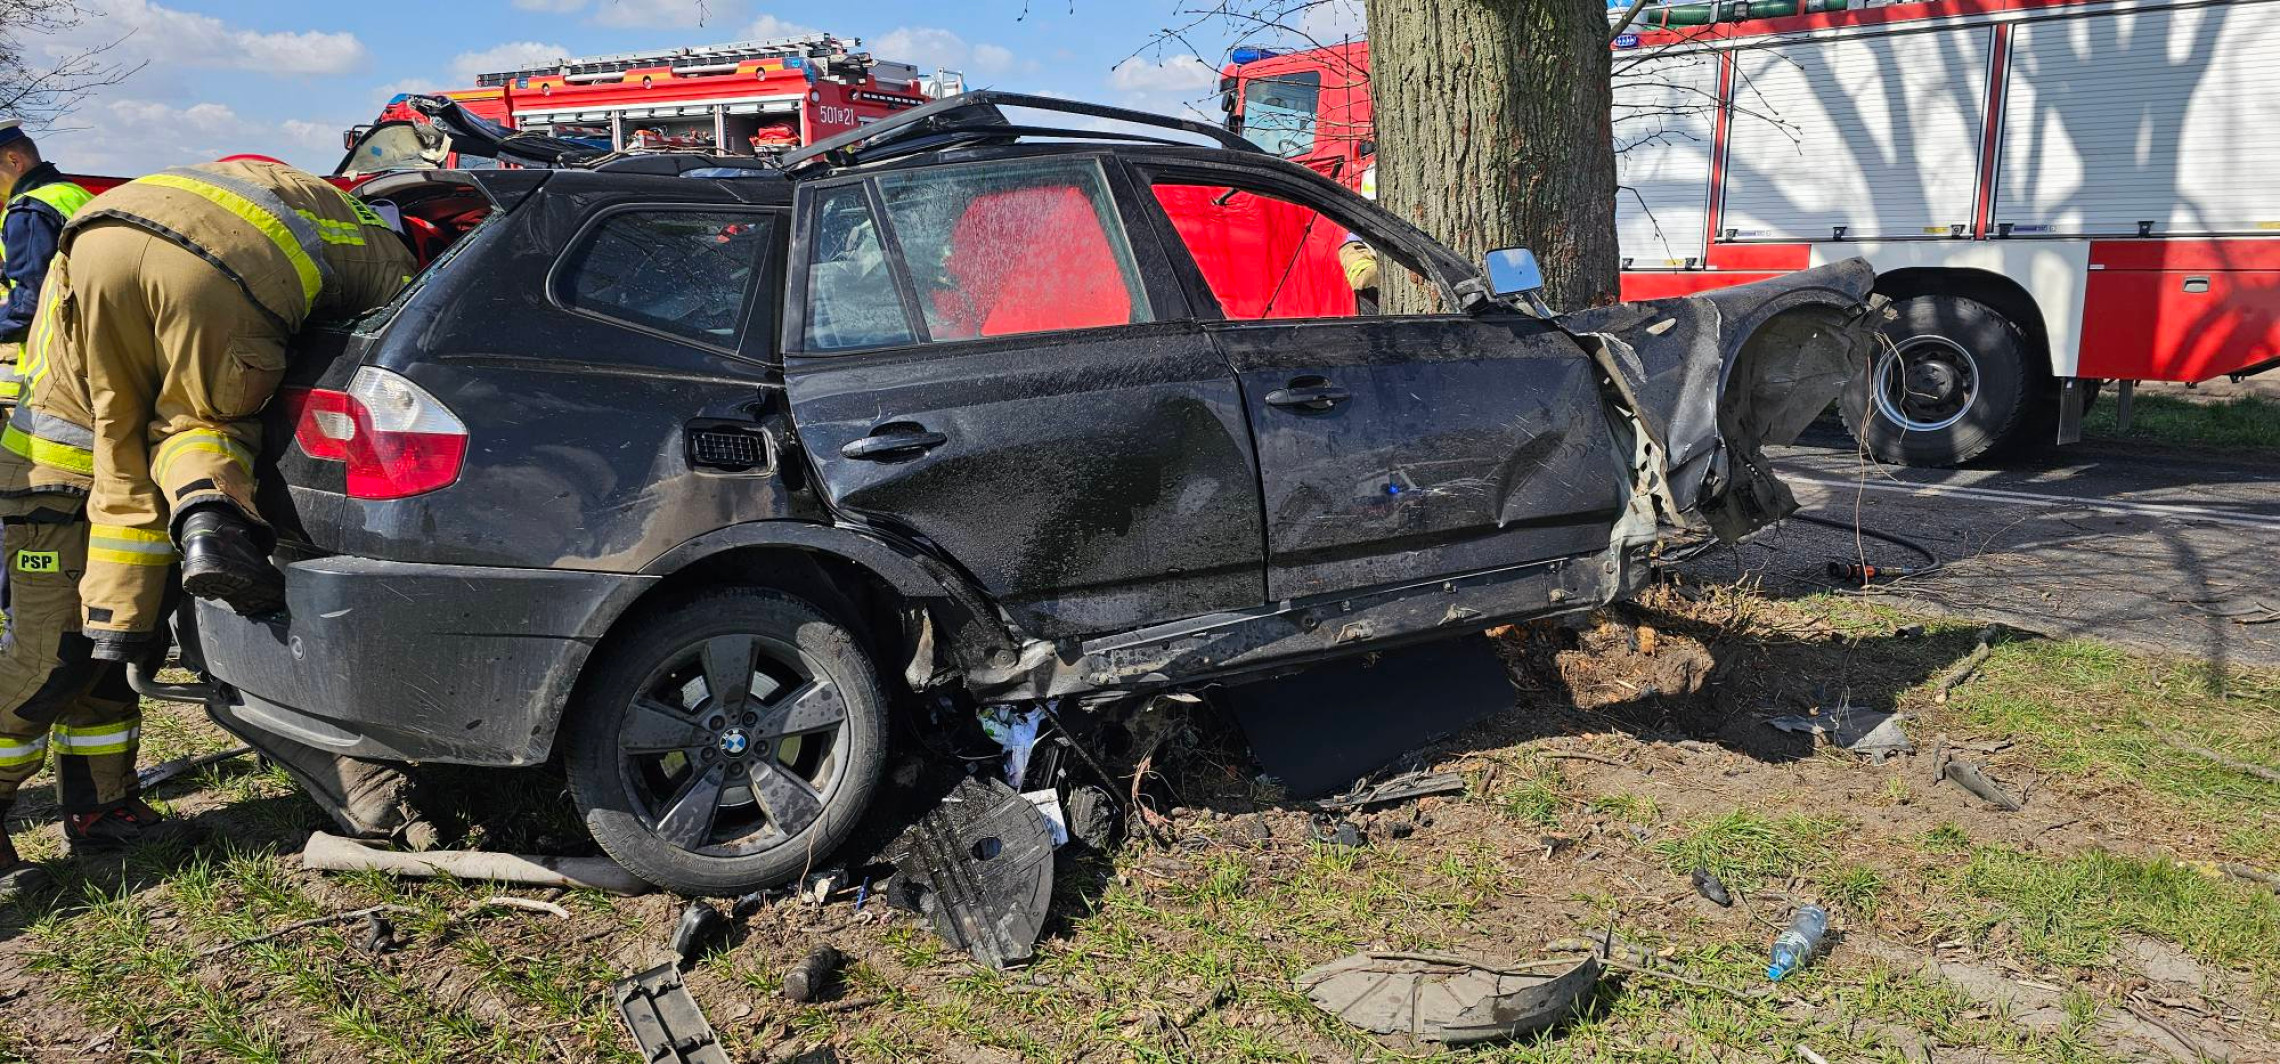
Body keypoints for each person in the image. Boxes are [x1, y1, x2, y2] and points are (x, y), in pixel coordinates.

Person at [50, 159, 413, 663]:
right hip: (213, 268)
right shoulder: (395, 256)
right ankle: (214, 534)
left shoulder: (308, 190)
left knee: (119, 436)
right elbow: (402, 339)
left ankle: (118, 621)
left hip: (99, 235)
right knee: (204, 422)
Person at [0, 252, 176, 903]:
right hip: (56, 485)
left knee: (109, 652)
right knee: (50, 660)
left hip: (114, 488)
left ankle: (102, 812)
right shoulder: (118, 269)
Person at [0, 120, 95, 407]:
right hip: (88, 347)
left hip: (55, 362)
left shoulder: (29, 209)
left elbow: (32, 297)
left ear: (14, 160)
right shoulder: (73, 194)